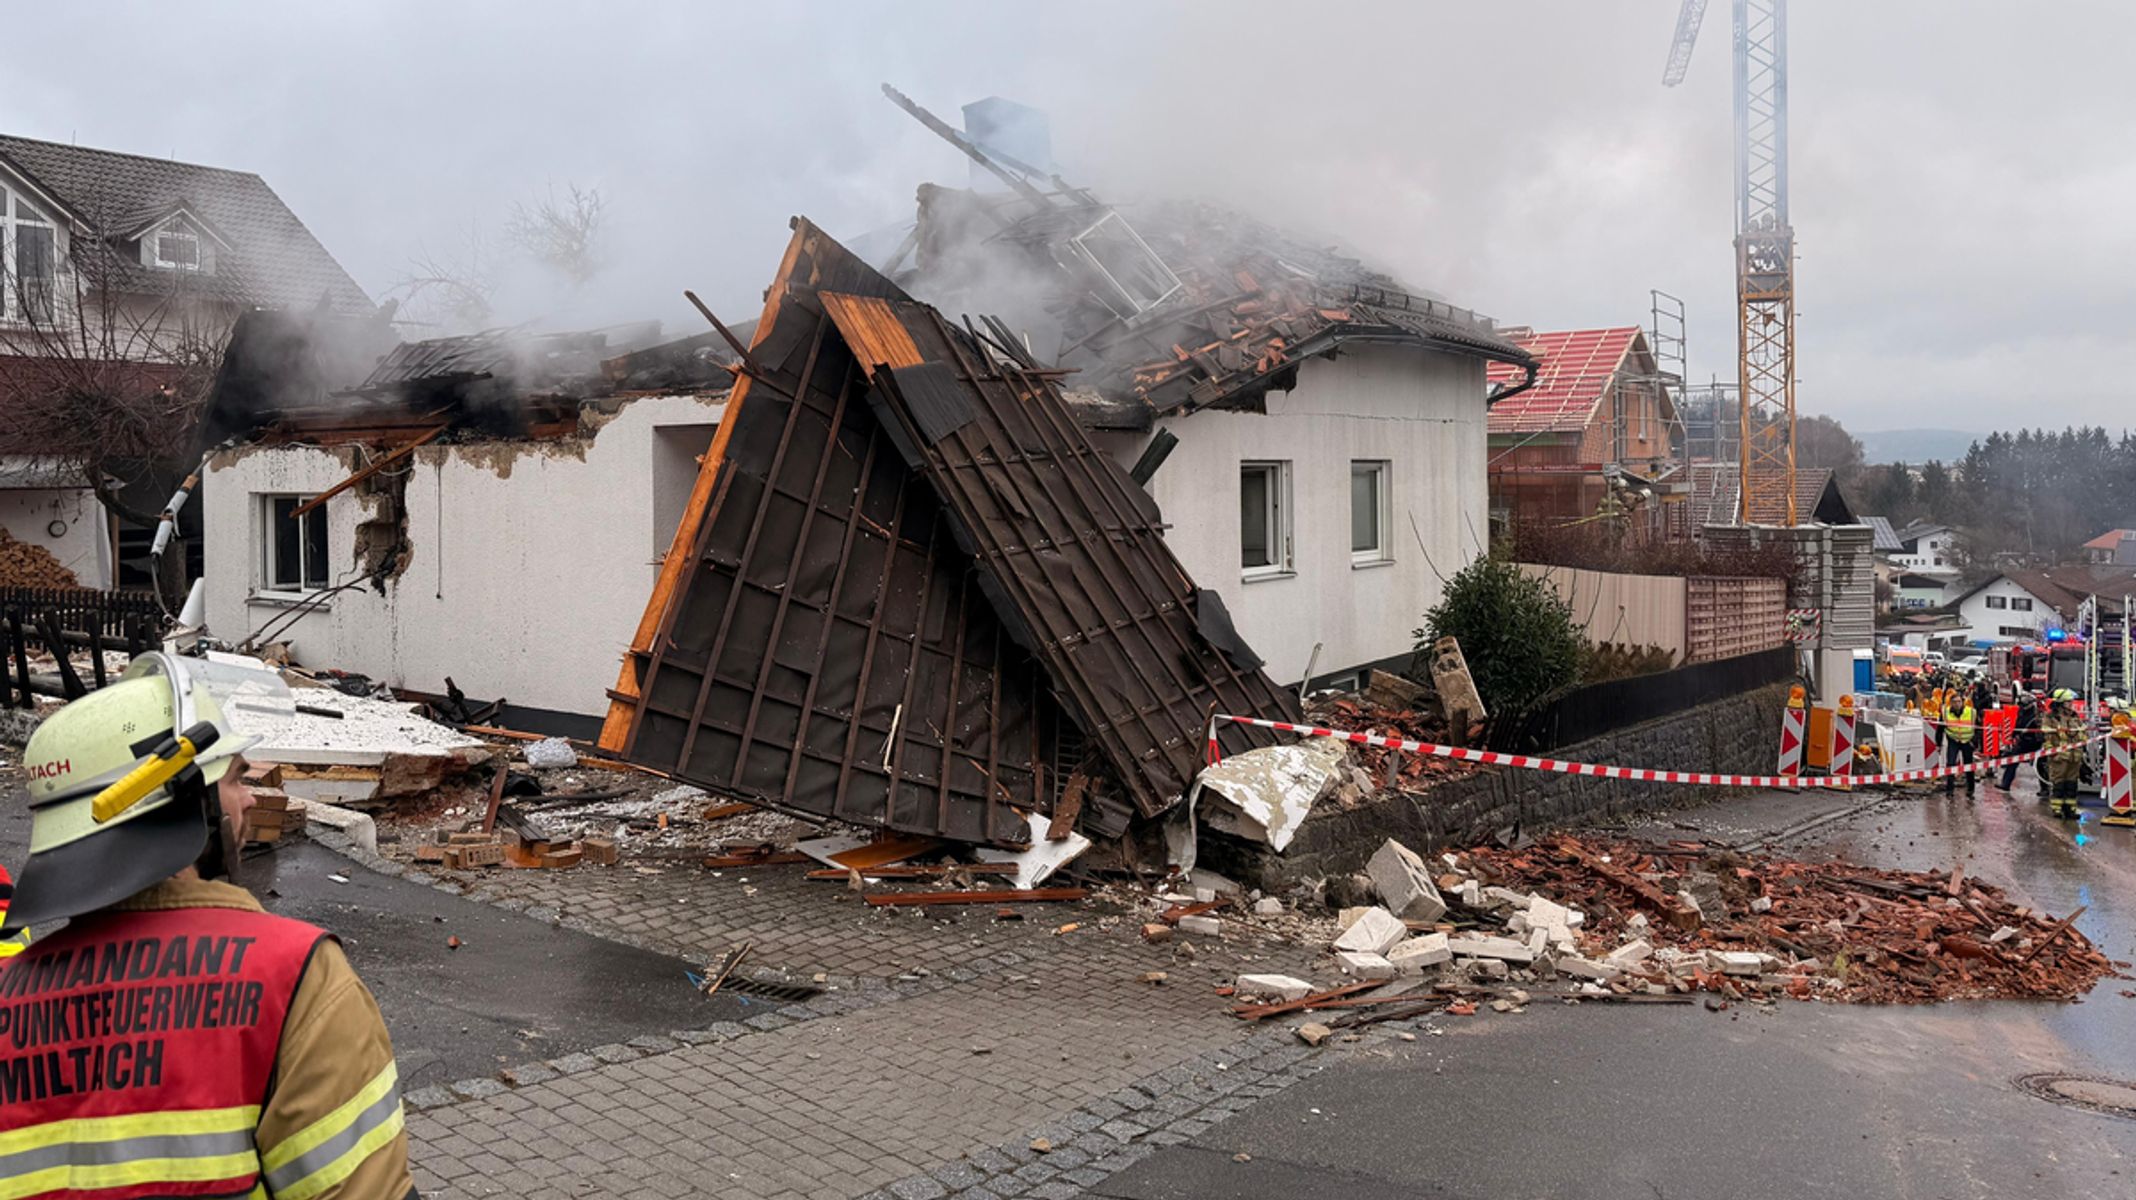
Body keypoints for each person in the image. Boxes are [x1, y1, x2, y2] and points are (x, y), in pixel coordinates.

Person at [0, 654, 416, 1199]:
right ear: (185, 798)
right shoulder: (295, 978)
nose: (248, 798)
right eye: (235, 776)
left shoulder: (10, 997)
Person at [2046, 693, 2085, 820]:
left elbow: (2083, 732)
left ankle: (2070, 809)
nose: (2071, 704)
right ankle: (2057, 809)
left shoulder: (2075, 716)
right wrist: (2052, 752)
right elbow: (2046, 736)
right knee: (2059, 782)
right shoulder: (2052, 717)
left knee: (2072, 783)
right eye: (2068, 702)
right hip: (2059, 757)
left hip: (2075, 756)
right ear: (2061, 703)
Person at [2000, 688, 2044, 790]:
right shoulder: (2022, 712)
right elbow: (2018, 724)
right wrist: (2013, 735)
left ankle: (2044, 788)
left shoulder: (2035, 715)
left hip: (2034, 742)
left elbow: (2039, 730)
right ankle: (2005, 784)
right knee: (2012, 761)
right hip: (2023, 742)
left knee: (2040, 765)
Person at [1943, 690, 1979, 794]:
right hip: (1953, 740)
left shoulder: (1971, 712)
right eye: (1954, 702)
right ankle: (1949, 789)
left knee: (1968, 765)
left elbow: (1978, 728)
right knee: (1950, 764)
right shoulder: (1946, 712)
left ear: (1962, 702)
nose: (1957, 704)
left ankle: (1971, 789)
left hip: (1967, 741)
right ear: (1951, 703)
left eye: (1959, 701)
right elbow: (1941, 728)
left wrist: (1975, 742)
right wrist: (1938, 743)